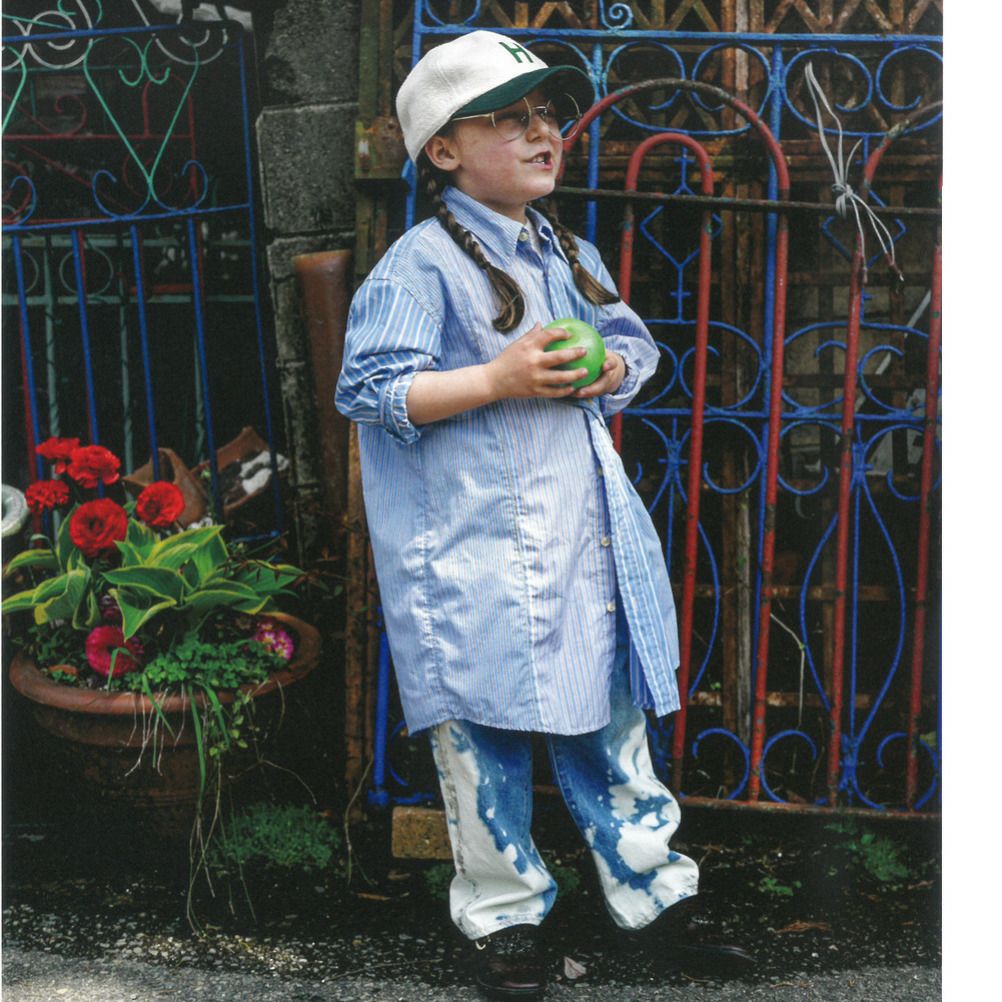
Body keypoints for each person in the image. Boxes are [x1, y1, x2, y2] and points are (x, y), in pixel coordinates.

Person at [335, 30, 753, 1000]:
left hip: (578, 544)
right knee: (481, 739)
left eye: (548, 114)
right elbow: (371, 389)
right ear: (444, 150)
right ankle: (503, 917)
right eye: (508, 119)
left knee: (607, 720)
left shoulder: (567, 251)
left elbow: (630, 345)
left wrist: (610, 368)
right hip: (473, 556)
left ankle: (654, 895)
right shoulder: (418, 266)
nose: (542, 133)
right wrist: (499, 376)